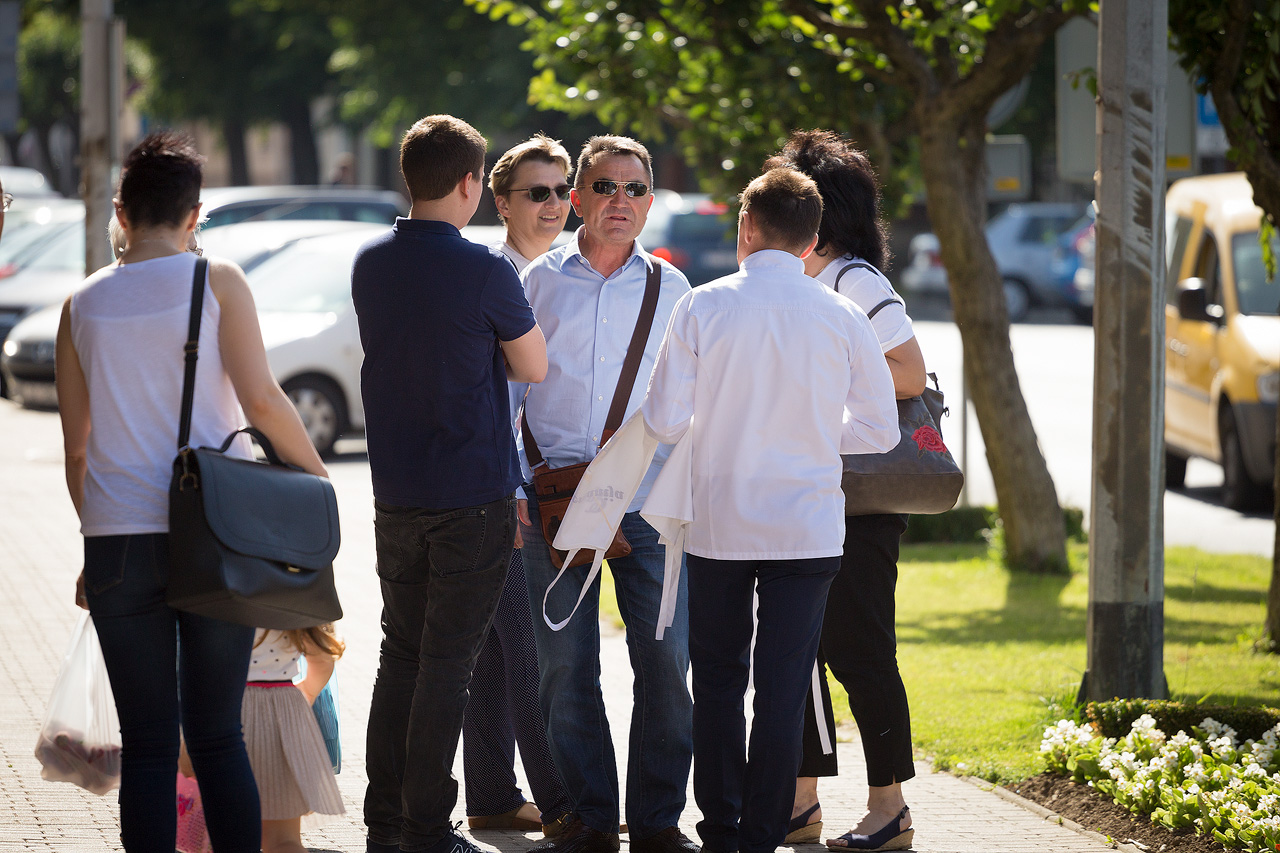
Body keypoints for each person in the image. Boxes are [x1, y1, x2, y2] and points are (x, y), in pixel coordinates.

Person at [57, 130, 327, 853]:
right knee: (215, 734)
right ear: (195, 214)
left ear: (121, 210)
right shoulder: (219, 282)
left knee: (147, 744)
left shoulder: (80, 304)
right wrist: (318, 480)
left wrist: (98, 535)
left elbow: (77, 449)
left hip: (117, 541)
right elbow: (264, 401)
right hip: (215, 536)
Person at [641, 166, 899, 853]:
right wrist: (813, 432)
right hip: (807, 526)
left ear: (746, 228)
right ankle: (762, 834)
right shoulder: (842, 313)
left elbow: (665, 419)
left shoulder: (702, 305)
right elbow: (880, 431)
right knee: (783, 687)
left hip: (721, 522)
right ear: (814, 238)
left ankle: (720, 831)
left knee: (720, 682)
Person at [351, 114, 548, 853]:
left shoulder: (369, 263)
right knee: (447, 666)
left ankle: (385, 824)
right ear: (471, 184)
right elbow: (532, 365)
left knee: (399, 655)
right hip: (472, 493)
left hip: (396, 491)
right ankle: (429, 829)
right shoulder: (485, 270)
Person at [512, 135, 696, 853]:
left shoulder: (675, 291)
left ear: (649, 200)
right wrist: (514, 484)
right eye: (606, 186)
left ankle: (656, 823)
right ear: (578, 195)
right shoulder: (536, 282)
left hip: (649, 506)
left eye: (636, 189)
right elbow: (509, 391)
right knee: (563, 670)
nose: (621, 201)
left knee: (666, 666)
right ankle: (590, 818)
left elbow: (689, 403)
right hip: (554, 499)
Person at [766, 130, 928, 852]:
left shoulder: (857, 281)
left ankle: (889, 806)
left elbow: (909, 373)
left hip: (856, 503)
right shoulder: (802, 277)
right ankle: (799, 801)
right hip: (801, 493)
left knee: (861, 650)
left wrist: (820, 395)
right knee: (794, 649)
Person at [461, 133, 575, 834]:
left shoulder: (561, 276)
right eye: (538, 192)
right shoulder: (491, 276)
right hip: (504, 493)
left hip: (551, 489)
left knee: (500, 653)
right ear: (500, 200)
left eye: (564, 190)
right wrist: (506, 491)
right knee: (528, 647)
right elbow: (492, 404)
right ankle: (568, 805)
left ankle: (493, 797)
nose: (556, 204)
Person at [243, 626, 346, 853]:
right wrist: (307, 692)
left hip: (226, 706)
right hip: (282, 710)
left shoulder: (216, 594)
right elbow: (323, 658)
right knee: (283, 841)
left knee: (220, 832)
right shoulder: (291, 593)